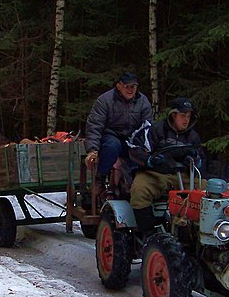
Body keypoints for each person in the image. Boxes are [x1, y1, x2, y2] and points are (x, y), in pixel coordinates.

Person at [128, 97, 205, 236]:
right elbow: (135, 149)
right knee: (139, 190)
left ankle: (203, 233)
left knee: (208, 192)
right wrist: (151, 160)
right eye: (182, 116)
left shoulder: (193, 136)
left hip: (183, 176)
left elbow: (201, 158)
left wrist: (195, 161)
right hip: (155, 173)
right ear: (173, 115)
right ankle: (148, 233)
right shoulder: (155, 130)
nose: (186, 120)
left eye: (188, 116)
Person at [84, 72, 152, 193]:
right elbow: (94, 126)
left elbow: (148, 126)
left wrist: (148, 144)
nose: (131, 90)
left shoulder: (143, 101)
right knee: (112, 146)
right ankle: (100, 178)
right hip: (110, 135)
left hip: (133, 138)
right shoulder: (105, 100)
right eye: (127, 86)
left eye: (134, 86)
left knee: (140, 152)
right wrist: (92, 150)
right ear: (118, 86)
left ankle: (132, 182)